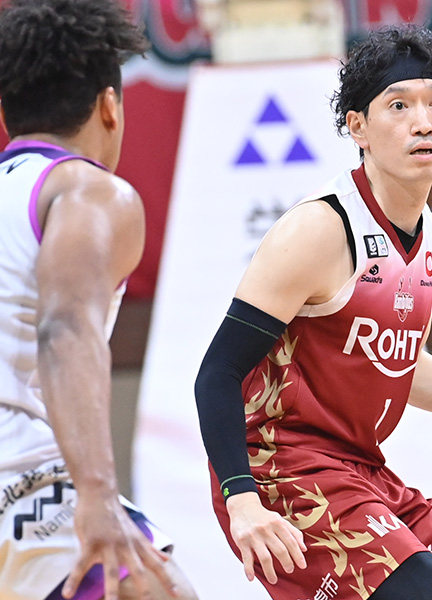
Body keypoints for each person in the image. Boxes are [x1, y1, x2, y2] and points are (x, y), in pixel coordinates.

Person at [194, 24, 432, 600]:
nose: (422, 122)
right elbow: (218, 373)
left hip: (360, 470)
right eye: (398, 105)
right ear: (357, 127)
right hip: (278, 469)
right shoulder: (320, 230)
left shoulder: (431, 239)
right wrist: (242, 500)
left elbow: (403, 367)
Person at [0, 1, 198, 599]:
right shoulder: (88, 191)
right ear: (110, 107)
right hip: (25, 481)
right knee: (158, 589)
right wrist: (96, 492)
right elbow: (64, 327)